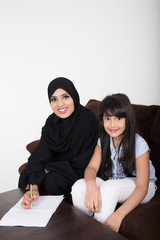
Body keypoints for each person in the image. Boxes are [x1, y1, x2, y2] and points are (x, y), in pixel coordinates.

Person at [71, 93, 157, 232]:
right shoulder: (103, 140)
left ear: (127, 119)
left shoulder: (138, 143)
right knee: (79, 186)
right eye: (107, 118)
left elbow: (142, 187)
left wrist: (119, 215)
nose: (112, 124)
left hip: (142, 188)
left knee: (109, 188)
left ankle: (99, 234)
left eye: (118, 118)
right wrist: (91, 185)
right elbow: (91, 168)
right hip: (115, 185)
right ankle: (84, 231)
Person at [19, 77, 98, 209]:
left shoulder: (87, 120)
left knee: (53, 181)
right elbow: (40, 155)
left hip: (80, 170)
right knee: (26, 175)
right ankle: (32, 201)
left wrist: (48, 168)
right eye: (54, 99)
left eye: (65, 97)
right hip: (60, 167)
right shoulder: (52, 122)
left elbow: (84, 161)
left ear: (74, 96)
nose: (60, 104)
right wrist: (34, 187)